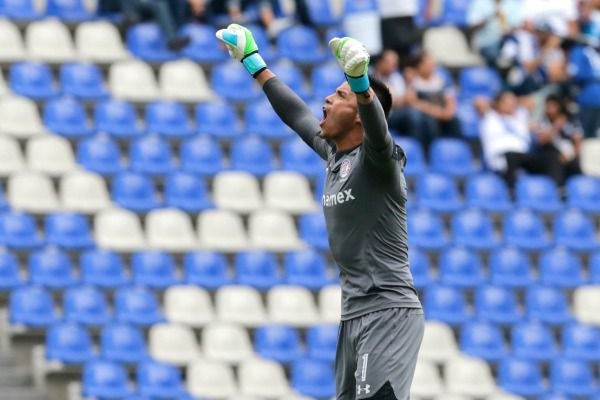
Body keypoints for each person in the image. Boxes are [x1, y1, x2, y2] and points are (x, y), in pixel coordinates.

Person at [216, 24, 424, 400]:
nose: (326, 100)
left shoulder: (380, 162)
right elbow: (296, 114)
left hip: (388, 311)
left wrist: (360, 83)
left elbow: (379, 133)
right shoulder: (335, 156)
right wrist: (252, 60)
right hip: (354, 314)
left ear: (360, 113)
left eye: (339, 95)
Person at [480, 91, 568, 188]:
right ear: (498, 103)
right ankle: (511, 192)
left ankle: (556, 189)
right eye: (508, 102)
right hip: (501, 157)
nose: (511, 104)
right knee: (511, 156)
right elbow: (479, 102)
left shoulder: (520, 116)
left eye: (513, 102)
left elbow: (531, 102)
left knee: (552, 156)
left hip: (523, 157)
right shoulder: (491, 116)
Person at [389, 52, 461, 152]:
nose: (432, 67)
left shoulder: (441, 81)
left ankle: (455, 152)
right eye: (428, 64)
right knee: (430, 122)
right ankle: (429, 154)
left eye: (433, 65)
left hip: (442, 116)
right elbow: (413, 102)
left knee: (456, 121)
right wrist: (439, 113)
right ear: (420, 66)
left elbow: (450, 103)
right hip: (427, 117)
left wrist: (447, 112)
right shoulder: (413, 82)